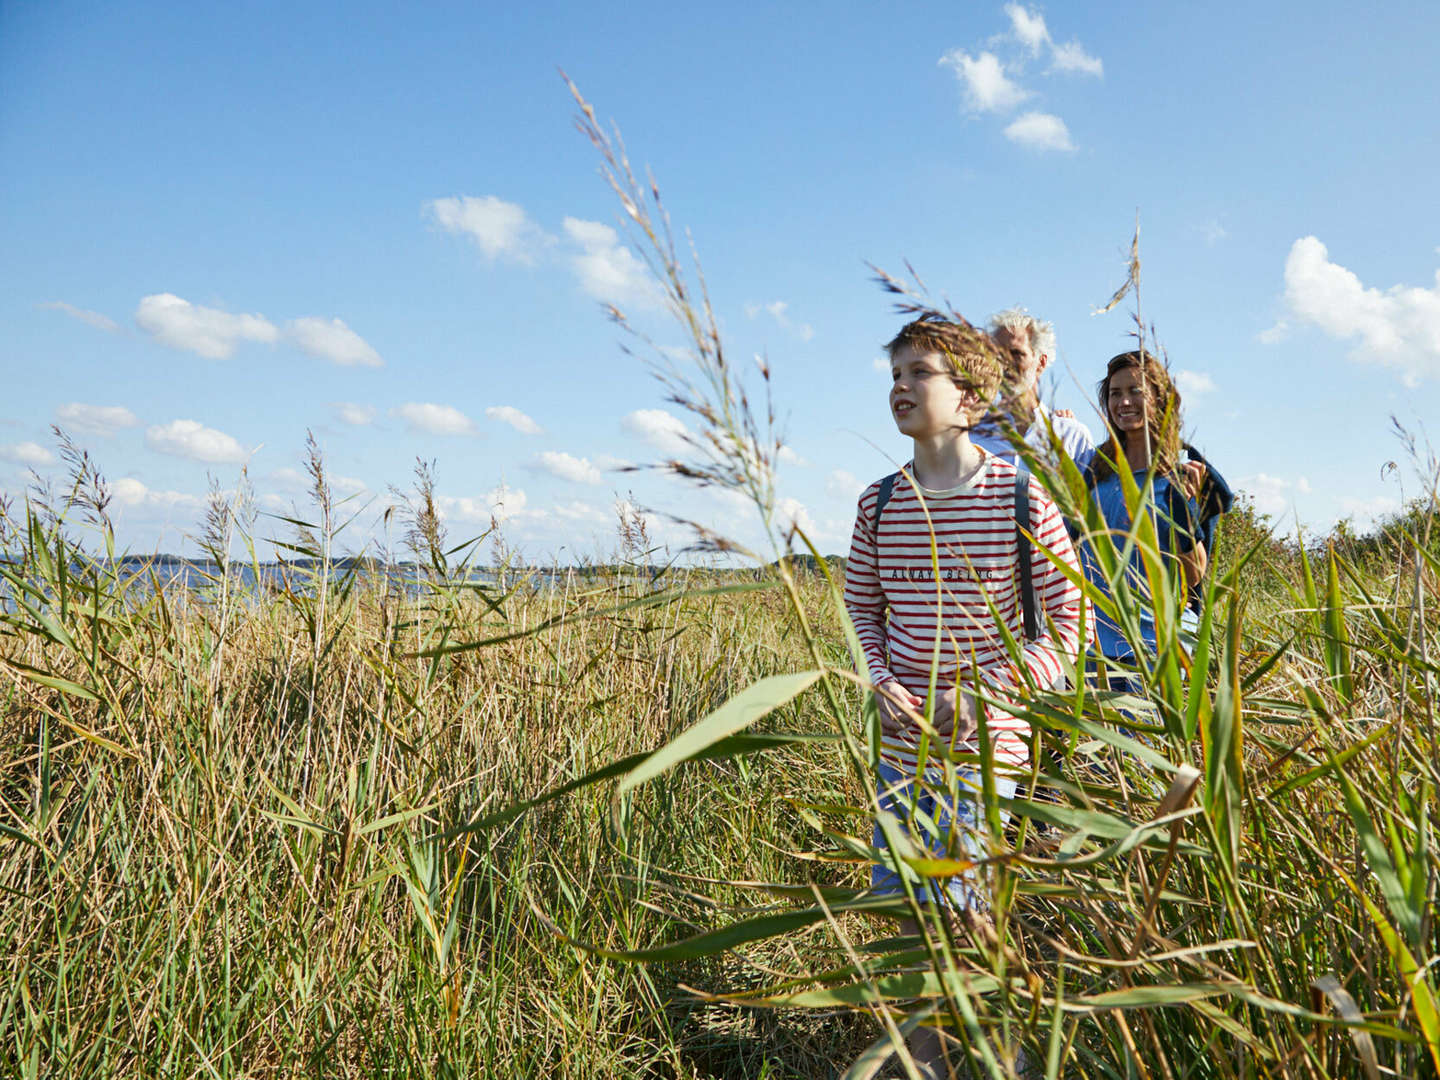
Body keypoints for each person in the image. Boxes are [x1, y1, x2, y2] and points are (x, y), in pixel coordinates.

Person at [843, 315, 1084, 1075]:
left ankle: (1000, 1059)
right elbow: (862, 610)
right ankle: (925, 1065)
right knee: (908, 917)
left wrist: (990, 696)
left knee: (973, 918)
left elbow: (1070, 626)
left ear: (972, 400)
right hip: (901, 753)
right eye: (895, 374)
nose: (901, 387)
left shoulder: (1022, 499)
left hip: (987, 750)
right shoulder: (878, 504)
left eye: (921, 374)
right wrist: (880, 683)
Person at [1079, 350, 1230, 683]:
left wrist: (1184, 507)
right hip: (1093, 644)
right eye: (1115, 393)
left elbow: (1193, 576)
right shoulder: (1095, 471)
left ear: (1160, 399)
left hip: (1156, 645)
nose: (1124, 402)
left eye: (1136, 391)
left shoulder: (1180, 473)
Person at [971, 307, 1095, 470]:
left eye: (1016, 354)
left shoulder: (1072, 435)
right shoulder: (972, 432)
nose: (1005, 363)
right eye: (997, 355)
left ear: (1041, 362)